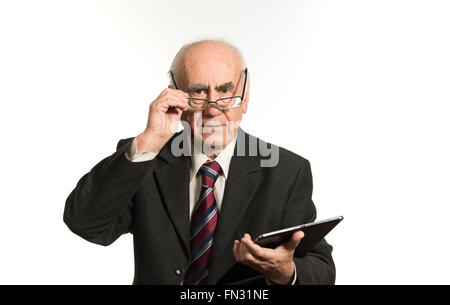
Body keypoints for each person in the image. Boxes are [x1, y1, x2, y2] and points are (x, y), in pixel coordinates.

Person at [64, 39, 335, 285]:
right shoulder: (145, 159)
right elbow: (86, 224)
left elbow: (322, 270)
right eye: (198, 91)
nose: (213, 107)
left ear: (246, 96)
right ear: (173, 94)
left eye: (226, 89)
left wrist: (286, 273)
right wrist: (150, 140)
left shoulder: (286, 172)